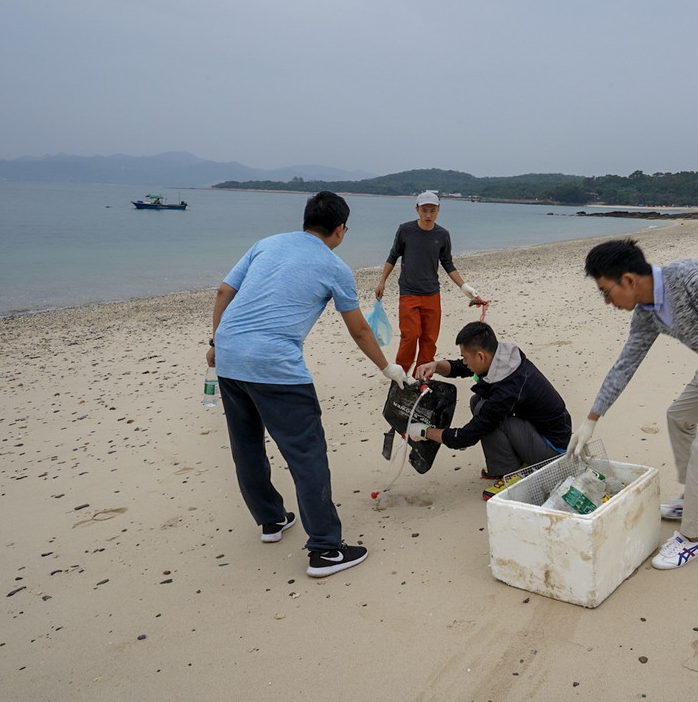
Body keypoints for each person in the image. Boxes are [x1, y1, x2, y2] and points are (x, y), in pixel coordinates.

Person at [208, 191, 409, 578]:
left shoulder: (266, 244)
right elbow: (360, 329)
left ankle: (271, 521)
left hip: (231, 357)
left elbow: (223, 292)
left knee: (247, 446)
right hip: (276, 366)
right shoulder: (334, 266)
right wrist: (388, 370)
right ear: (339, 229)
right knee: (307, 454)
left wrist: (217, 342)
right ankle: (326, 550)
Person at [567, 239, 698, 570]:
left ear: (628, 279)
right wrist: (592, 418)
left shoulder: (687, 277)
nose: (607, 302)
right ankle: (691, 500)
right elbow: (625, 364)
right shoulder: (646, 313)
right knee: (678, 416)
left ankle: (691, 541)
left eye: (606, 292)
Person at [409, 321, 572, 489]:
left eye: (465, 357)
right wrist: (435, 366)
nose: (464, 361)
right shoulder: (502, 358)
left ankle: (511, 473)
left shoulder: (508, 389)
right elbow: (461, 367)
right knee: (478, 401)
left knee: (487, 414)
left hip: (553, 454)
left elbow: (467, 437)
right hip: (544, 432)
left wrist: (424, 431)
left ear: (480, 356)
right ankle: (510, 460)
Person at [375, 191, 481, 373]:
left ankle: (422, 375)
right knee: (410, 335)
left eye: (433, 210)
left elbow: (448, 264)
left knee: (429, 338)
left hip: (432, 293)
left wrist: (465, 287)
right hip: (409, 292)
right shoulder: (405, 230)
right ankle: (400, 373)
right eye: (424, 210)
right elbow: (393, 256)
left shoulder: (442, 235)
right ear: (417, 209)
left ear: (438, 210)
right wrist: (382, 281)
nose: (428, 215)